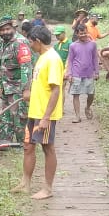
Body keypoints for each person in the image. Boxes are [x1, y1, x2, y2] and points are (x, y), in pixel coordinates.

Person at [13, 25, 63, 200]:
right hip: (34, 111)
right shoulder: (41, 58)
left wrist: (46, 118)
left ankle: (47, 188)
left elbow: (56, 90)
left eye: (31, 42)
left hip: (44, 114)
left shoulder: (53, 59)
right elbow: (42, 85)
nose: (30, 46)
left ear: (38, 41)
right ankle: (25, 183)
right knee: (28, 147)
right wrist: (30, 94)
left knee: (47, 148)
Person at [0, 16, 32, 144]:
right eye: (2, 30)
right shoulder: (1, 44)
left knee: (19, 116)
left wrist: (26, 89)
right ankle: (5, 140)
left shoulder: (21, 43)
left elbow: (26, 68)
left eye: (7, 29)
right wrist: (1, 86)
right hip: (6, 87)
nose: (5, 32)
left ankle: (24, 142)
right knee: (5, 115)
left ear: (13, 28)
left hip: (18, 88)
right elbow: (1, 67)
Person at [64, 23, 100, 122]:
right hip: (76, 73)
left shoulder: (92, 44)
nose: (83, 35)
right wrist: (69, 73)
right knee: (76, 94)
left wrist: (96, 72)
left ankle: (87, 107)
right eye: (81, 33)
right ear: (77, 34)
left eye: (85, 33)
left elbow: (95, 59)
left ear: (87, 32)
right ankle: (77, 116)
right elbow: (70, 60)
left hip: (89, 73)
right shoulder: (73, 46)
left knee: (91, 94)